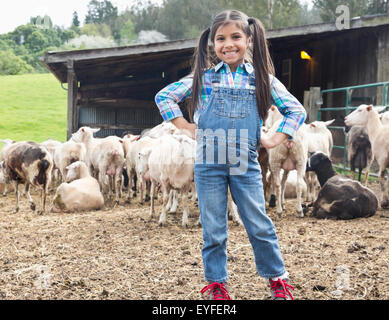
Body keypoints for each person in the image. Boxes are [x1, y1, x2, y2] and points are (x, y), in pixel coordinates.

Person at [154, 10, 306, 300]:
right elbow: (164, 96)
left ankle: (277, 279)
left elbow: (296, 110)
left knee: (258, 223)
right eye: (220, 39)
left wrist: (274, 138)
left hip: (244, 162)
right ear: (212, 44)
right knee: (214, 228)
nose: (228, 44)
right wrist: (184, 126)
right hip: (208, 162)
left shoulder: (263, 80)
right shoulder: (204, 78)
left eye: (236, 37)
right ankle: (217, 284)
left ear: (248, 40)